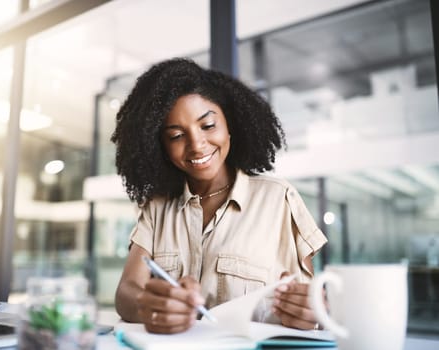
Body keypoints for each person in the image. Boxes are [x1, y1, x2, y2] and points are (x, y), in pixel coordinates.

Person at [111, 57, 327, 334]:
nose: (197, 145)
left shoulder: (278, 199)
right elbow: (126, 291)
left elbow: (309, 307)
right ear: (159, 145)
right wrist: (147, 305)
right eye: (176, 135)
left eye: (208, 126)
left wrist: (311, 311)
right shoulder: (157, 206)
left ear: (230, 124)